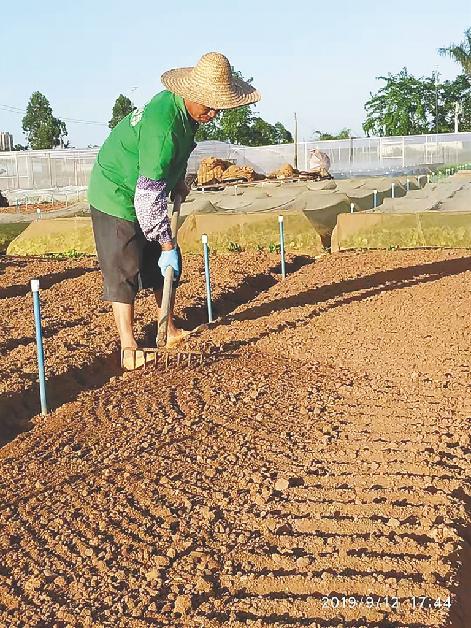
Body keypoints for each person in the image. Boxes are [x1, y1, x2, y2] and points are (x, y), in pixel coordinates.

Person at [88, 52, 261, 369]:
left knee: (159, 266)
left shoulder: (185, 114)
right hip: (115, 192)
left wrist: (178, 181)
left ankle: (167, 329)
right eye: (207, 105)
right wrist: (166, 244)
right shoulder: (164, 127)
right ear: (190, 94)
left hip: (144, 186)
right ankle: (128, 349)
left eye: (217, 107)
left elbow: (174, 156)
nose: (212, 113)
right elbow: (147, 196)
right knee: (124, 268)